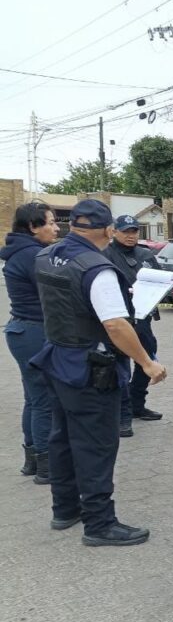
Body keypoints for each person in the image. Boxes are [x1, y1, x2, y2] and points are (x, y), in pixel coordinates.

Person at [33, 199, 167, 545]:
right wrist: (146, 362)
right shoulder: (97, 267)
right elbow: (115, 325)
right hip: (91, 367)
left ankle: (65, 509)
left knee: (61, 437)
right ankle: (99, 523)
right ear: (108, 230)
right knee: (96, 445)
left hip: (59, 357)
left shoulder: (47, 255)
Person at [2, 202, 58, 484]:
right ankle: (47, 466)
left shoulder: (19, 251)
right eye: (50, 222)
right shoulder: (33, 255)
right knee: (44, 400)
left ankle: (32, 461)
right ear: (32, 227)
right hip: (35, 331)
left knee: (33, 398)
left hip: (21, 330)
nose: (56, 227)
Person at [104, 215, 162, 438]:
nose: (131, 236)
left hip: (143, 318)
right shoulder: (106, 254)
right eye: (126, 231)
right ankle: (123, 415)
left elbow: (160, 280)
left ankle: (138, 404)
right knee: (121, 367)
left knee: (148, 360)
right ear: (115, 232)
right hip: (119, 320)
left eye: (134, 231)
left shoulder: (146, 255)